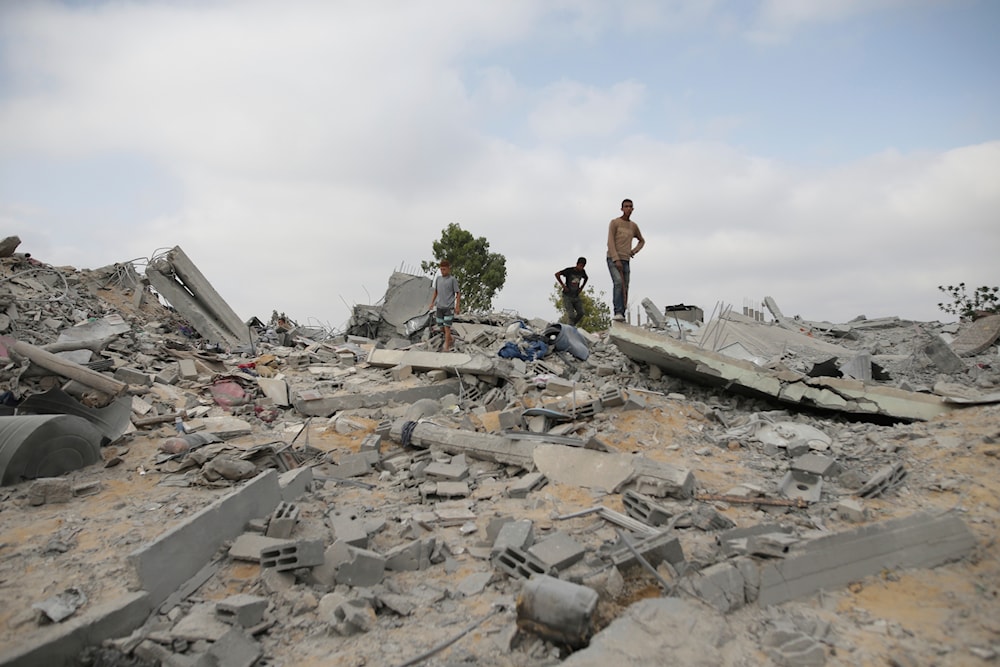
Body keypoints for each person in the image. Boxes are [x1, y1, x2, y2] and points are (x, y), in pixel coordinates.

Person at [606, 198, 645, 322]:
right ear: (622, 208)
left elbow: (641, 240)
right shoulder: (615, 222)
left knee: (625, 286)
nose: (628, 208)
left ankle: (622, 313)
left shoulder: (633, 226)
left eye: (630, 206)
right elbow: (610, 241)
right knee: (618, 282)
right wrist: (616, 259)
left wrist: (634, 251)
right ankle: (617, 311)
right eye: (626, 206)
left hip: (626, 259)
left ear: (633, 209)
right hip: (613, 258)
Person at [428, 259, 461, 351]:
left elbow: (458, 293)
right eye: (441, 269)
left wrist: (457, 306)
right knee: (441, 327)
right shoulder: (438, 279)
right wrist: (432, 303)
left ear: (448, 269)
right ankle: (451, 339)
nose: (443, 271)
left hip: (448, 307)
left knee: (447, 328)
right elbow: (436, 292)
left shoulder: (452, 280)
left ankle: (446, 348)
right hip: (439, 306)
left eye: (444, 269)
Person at [555, 257, 589, 327]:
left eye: (583, 266)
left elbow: (586, 278)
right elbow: (557, 274)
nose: (581, 268)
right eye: (580, 266)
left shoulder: (582, 272)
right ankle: (570, 327)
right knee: (571, 315)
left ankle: (572, 325)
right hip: (567, 295)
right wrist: (563, 286)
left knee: (581, 313)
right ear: (577, 264)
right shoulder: (569, 271)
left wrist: (581, 288)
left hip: (576, 295)